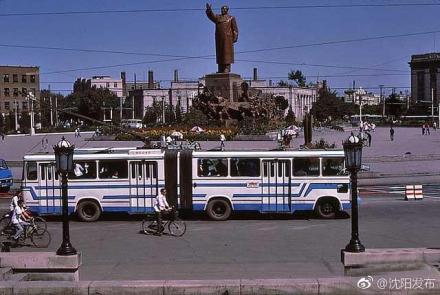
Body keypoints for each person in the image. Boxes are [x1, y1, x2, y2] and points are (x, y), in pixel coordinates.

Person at [205, 3, 239, 73]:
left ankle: (227, 68)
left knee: (227, 53)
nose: (222, 10)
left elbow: (235, 28)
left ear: (227, 10)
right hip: (219, 38)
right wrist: (209, 10)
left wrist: (235, 37)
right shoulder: (218, 17)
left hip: (228, 38)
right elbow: (212, 16)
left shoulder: (231, 18)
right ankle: (220, 68)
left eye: (224, 9)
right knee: (220, 53)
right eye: (221, 9)